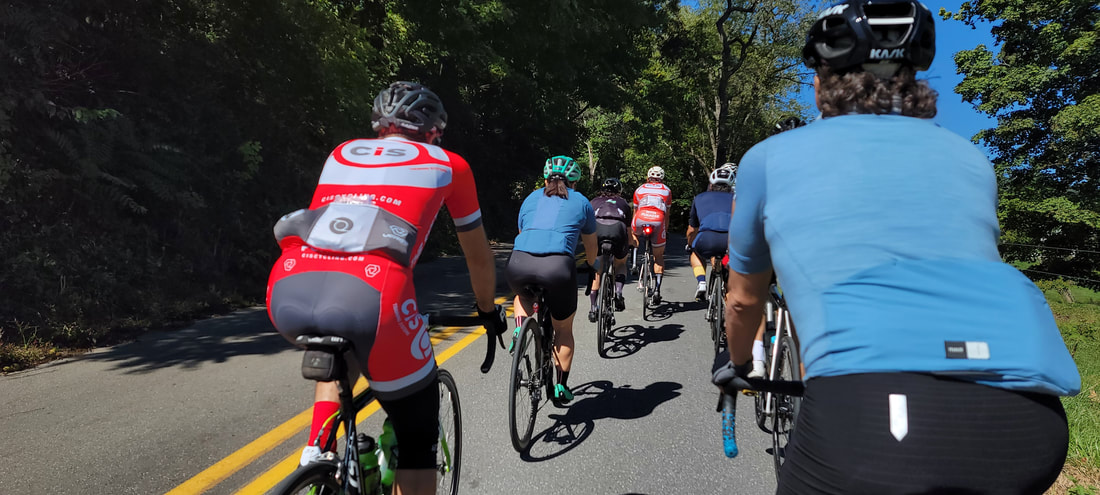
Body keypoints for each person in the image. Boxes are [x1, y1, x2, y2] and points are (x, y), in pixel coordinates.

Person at [714, 1, 1081, 493]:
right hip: (1028, 416)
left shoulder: (768, 158)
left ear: (820, 84)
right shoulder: (970, 157)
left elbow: (743, 300)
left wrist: (738, 365)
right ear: (912, 80)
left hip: (882, 414)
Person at [265, 81, 506, 495]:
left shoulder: (341, 152)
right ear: (434, 131)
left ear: (379, 125)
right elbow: (479, 258)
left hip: (287, 285)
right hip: (374, 296)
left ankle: (318, 452)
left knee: (339, 348)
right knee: (417, 440)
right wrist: (487, 310)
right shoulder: (450, 164)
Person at [506, 155, 598, 403]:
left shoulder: (530, 198)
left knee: (523, 296)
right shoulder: (581, 201)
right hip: (558, 268)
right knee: (563, 329)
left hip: (519, 262)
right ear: (574, 182)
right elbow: (591, 245)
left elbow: (523, 232)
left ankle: (520, 327)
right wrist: (592, 265)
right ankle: (561, 386)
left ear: (545, 179)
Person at [587, 177, 634, 322]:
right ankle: (618, 292)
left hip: (598, 228)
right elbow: (629, 230)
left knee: (597, 269)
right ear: (619, 191)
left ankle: (593, 308)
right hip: (617, 229)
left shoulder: (593, 201)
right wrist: (632, 243)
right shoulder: (624, 203)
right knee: (620, 263)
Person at [686, 164, 735, 301]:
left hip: (707, 238)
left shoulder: (699, 198)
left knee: (695, 253)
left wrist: (690, 244)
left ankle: (701, 282)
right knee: (729, 271)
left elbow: (692, 229)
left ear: (711, 184)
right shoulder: (738, 199)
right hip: (731, 240)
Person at [630, 165, 672, 305]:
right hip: (658, 220)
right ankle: (657, 289)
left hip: (641, 217)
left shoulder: (639, 189)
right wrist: (665, 230)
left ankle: (634, 260)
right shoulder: (667, 190)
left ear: (648, 177)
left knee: (633, 234)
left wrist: (634, 230)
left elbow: (635, 212)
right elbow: (667, 215)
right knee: (658, 256)